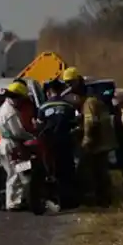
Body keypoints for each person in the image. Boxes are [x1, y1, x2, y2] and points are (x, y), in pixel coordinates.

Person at [66, 69, 116, 207]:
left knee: (97, 172)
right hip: (102, 142)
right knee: (100, 171)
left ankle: (102, 200)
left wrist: (86, 140)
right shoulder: (93, 99)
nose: (69, 87)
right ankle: (103, 199)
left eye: (70, 83)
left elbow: (90, 122)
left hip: (98, 143)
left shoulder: (89, 102)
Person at [35, 75, 82, 210]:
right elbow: (76, 124)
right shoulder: (68, 106)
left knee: (49, 172)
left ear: (49, 92)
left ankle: (51, 199)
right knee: (67, 172)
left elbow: (39, 126)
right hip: (66, 143)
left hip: (49, 144)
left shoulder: (43, 107)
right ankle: (68, 201)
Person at [0, 81, 37, 211]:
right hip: (11, 145)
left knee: (20, 172)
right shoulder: (10, 113)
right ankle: (13, 203)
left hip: (10, 144)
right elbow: (18, 132)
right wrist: (33, 137)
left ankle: (19, 199)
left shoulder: (6, 107)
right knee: (15, 174)